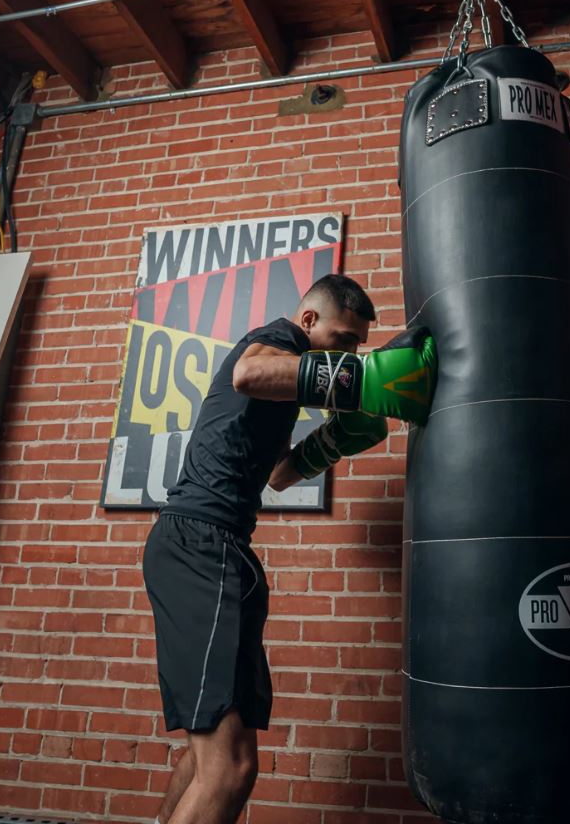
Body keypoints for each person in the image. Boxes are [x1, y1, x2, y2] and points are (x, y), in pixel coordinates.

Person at [142, 273, 435, 824]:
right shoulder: (273, 340)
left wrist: (329, 444)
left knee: (215, 752)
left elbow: (276, 475)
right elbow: (249, 372)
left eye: (358, 348)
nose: (351, 354)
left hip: (218, 547)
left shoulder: (285, 392)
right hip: (201, 545)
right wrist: (362, 378)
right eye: (345, 341)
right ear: (308, 322)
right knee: (230, 770)